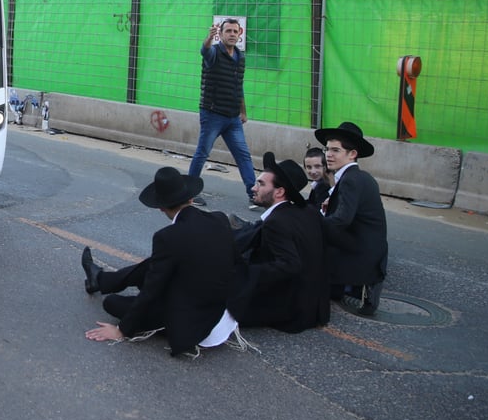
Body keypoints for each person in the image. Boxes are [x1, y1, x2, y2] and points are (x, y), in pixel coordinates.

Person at [80, 166, 237, 356]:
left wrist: (122, 329)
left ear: (161, 207)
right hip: (225, 310)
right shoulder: (219, 219)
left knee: (112, 303)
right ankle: (102, 279)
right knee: (156, 263)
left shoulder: (168, 236)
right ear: (191, 198)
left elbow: (152, 289)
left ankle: (103, 282)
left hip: (196, 322)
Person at [227, 153, 329, 332]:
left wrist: (246, 274)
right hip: (316, 305)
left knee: (217, 302)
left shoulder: (276, 222)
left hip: (292, 309)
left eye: (261, 184)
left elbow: (290, 265)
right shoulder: (308, 211)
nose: (253, 188)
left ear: (280, 192)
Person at [316, 121, 389, 316]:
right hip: (367, 248)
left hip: (360, 253)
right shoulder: (359, 177)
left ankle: (362, 285)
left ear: (352, 154)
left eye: (336, 150)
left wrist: (309, 223)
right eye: (327, 149)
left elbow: (341, 220)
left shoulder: (350, 179)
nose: (328, 155)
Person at [187, 19, 257, 210]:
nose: (232, 34)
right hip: (213, 114)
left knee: (243, 155)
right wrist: (209, 38)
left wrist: (243, 111)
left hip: (233, 117)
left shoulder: (240, 57)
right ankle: (189, 193)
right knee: (202, 153)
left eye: (235, 31)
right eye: (228, 31)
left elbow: (238, 86)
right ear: (221, 34)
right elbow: (205, 51)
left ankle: (254, 193)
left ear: (239, 34)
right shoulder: (214, 53)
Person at [303, 146, 332, 210]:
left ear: (325, 167)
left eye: (317, 166)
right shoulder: (318, 183)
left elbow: (317, 209)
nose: (313, 171)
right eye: (309, 167)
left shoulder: (324, 185)